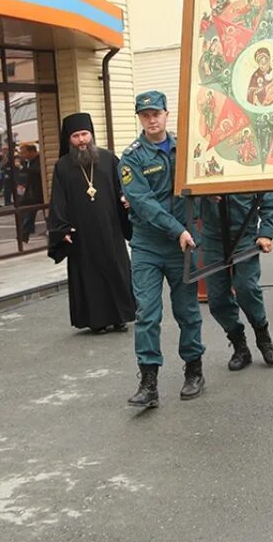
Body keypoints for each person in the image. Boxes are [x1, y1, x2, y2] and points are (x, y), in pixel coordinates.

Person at [120, 91, 205, 407]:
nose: (151, 120)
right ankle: (149, 382)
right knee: (147, 313)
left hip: (183, 244)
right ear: (140, 119)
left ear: (167, 114)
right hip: (148, 246)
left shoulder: (186, 148)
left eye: (156, 113)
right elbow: (143, 203)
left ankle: (194, 370)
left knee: (187, 311)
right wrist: (179, 229)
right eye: (145, 115)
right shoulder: (132, 158)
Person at [47, 112, 135, 334]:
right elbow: (58, 200)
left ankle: (120, 318)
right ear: (69, 139)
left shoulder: (108, 159)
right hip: (81, 233)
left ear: (92, 135)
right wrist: (61, 228)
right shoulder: (63, 166)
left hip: (110, 228)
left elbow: (122, 187)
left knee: (116, 269)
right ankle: (96, 321)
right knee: (89, 275)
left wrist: (125, 199)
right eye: (76, 136)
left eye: (85, 134)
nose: (82, 140)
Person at [200, 192, 273, 370]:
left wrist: (266, 233)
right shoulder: (201, 164)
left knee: (246, 287)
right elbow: (183, 195)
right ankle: (239, 345)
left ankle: (263, 336)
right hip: (212, 238)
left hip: (245, 234)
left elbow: (269, 200)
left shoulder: (249, 165)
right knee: (217, 298)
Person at [17, 142, 43, 243]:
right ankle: (24, 233)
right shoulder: (29, 161)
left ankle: (24, 234)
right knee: (24, 210)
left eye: (24, 153)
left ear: (32, 151)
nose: (23, 156)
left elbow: (37, 171)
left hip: (39, 192)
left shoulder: (39, 159)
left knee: (29, 212)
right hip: (29, 191)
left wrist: (22, 168)